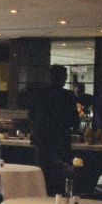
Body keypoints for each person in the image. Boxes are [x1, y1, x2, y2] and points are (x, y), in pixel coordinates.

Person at [28, 65, 78, 194]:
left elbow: (31, 116)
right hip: (61, 140)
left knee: (42, 173)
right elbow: (74, 120)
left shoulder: (39, 93)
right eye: (65, 76)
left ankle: (42, 198)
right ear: (62, 78)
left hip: (42, 138)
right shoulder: (68, 95)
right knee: (60, 175)